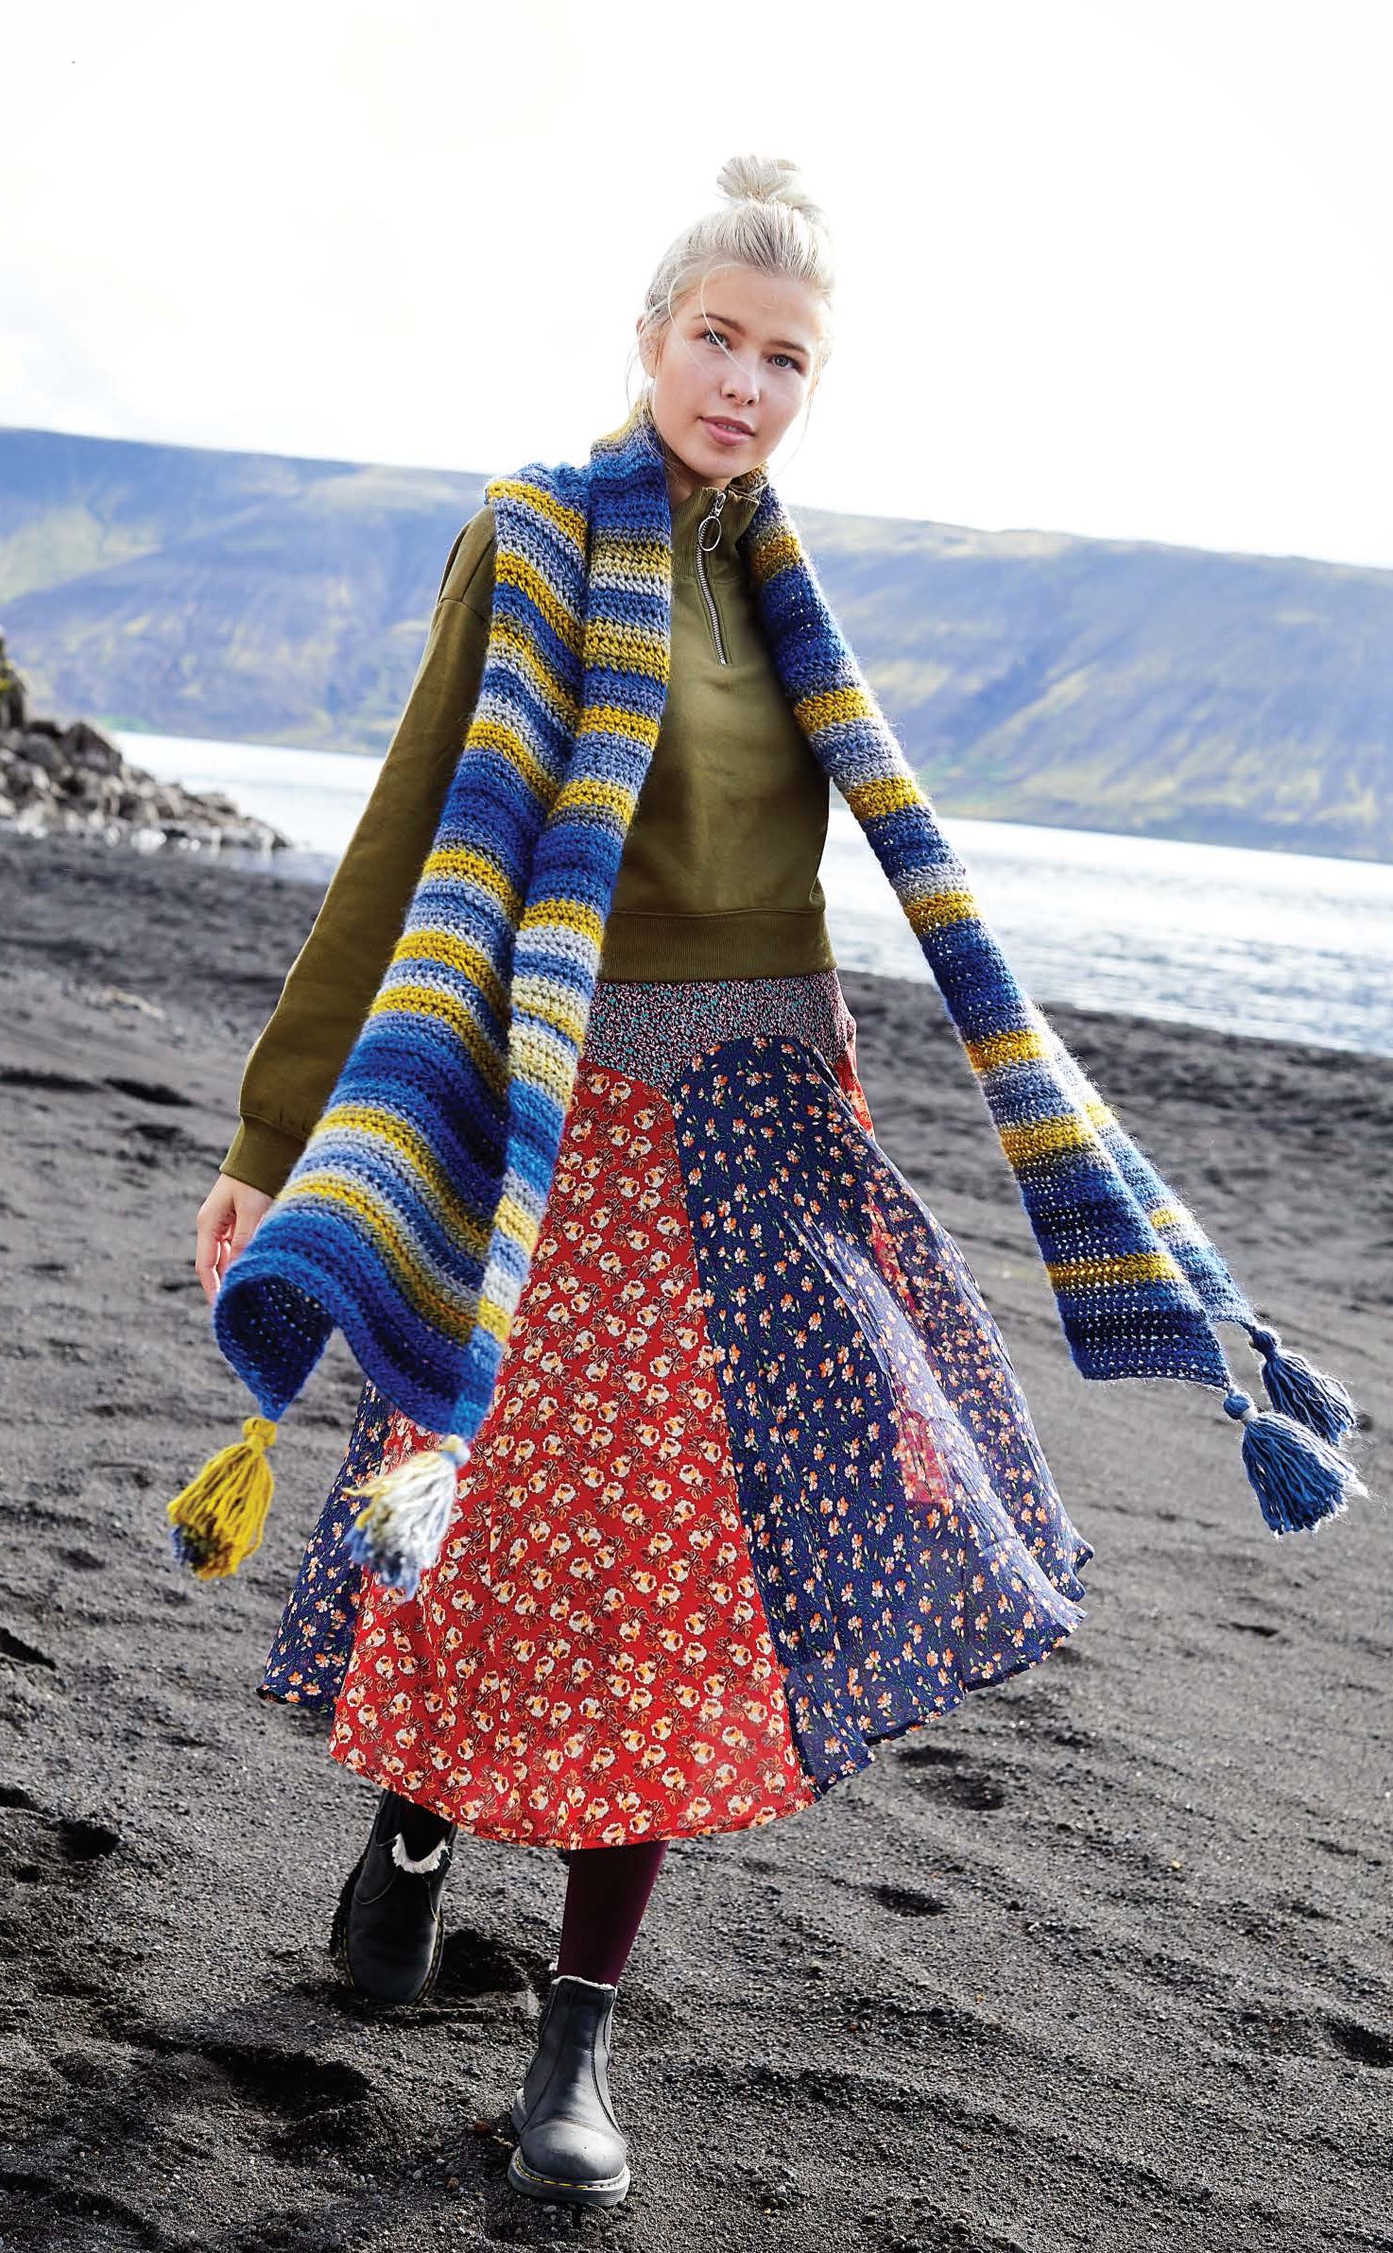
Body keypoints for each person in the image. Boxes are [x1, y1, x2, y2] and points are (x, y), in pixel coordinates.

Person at [186, 153, 1359, 2213]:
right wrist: (273, 1141)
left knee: (678, 1577)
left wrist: (835, 1087)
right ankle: (420, 1822)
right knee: (452, 1499)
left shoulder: (787, 585)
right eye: (715, 338)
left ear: (814, 386)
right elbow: (401, 841)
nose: (742, 380)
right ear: (648, 338)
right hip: (552, 1132)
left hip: (751, 1131)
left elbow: (814, 876)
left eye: (783, 357)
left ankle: (576, 2030)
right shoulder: (534, 537)